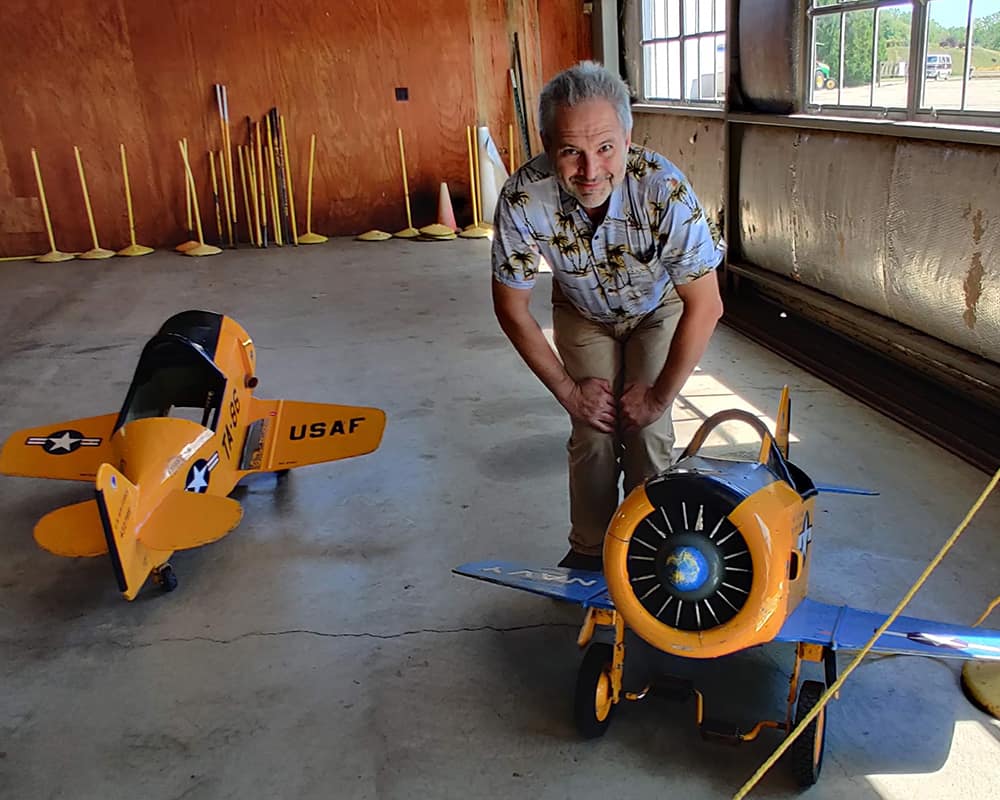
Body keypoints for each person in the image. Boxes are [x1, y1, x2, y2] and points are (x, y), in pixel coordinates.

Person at [491, 61, 725, 572]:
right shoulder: (521, 197)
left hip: (657, 306)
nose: (590, 170)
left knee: (648, 430)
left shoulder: (665, 189)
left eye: (605, 148)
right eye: (570, 151)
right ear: (547, 142)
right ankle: (591, 550)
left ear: (628, 135)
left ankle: (653, 552)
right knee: (593, 428)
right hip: (581, 308)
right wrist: (568, 392)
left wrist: (660, 395)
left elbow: (706, 305)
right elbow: (512, 307)